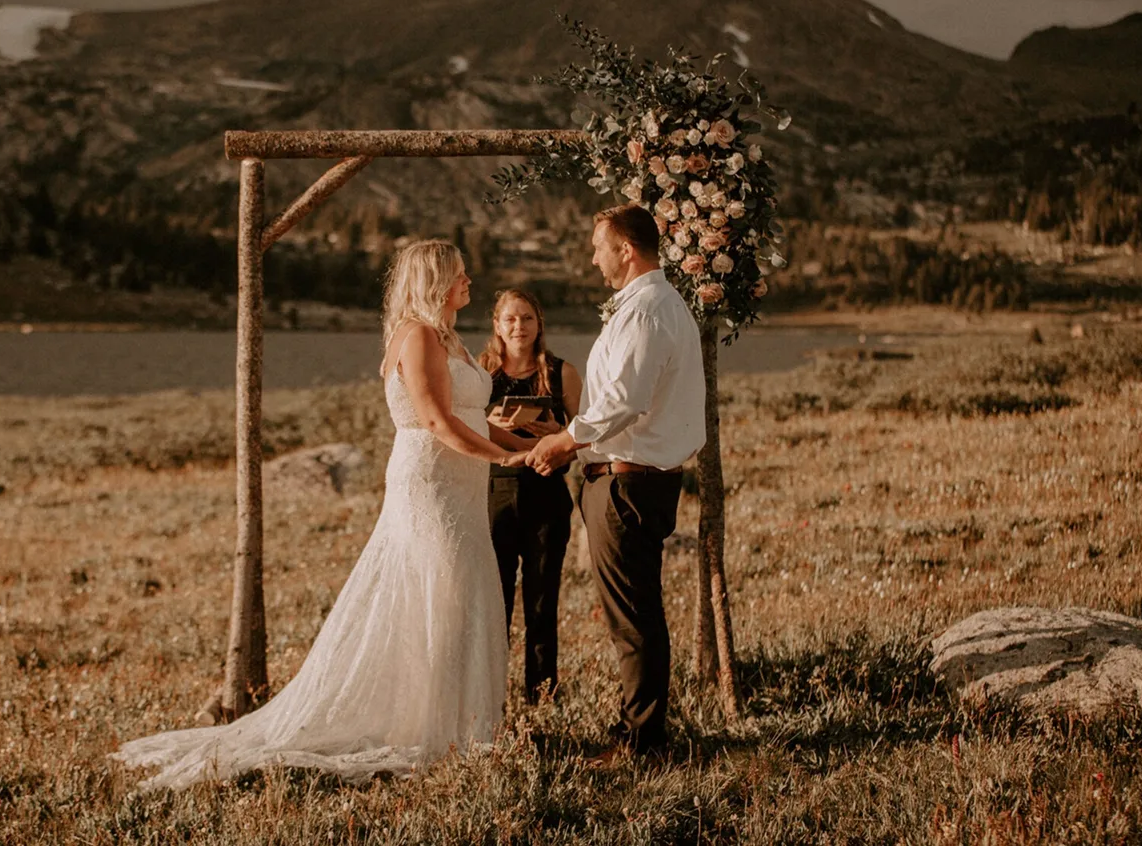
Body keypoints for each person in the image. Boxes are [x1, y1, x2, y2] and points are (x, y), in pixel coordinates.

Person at [113, 240, 526, 789]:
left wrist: (525, 439)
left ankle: (458, 724)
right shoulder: (419, 335)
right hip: (431, 482)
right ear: (434, 280)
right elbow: (435, 421)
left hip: (464, 486)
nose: (469, 278)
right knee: (438, 591)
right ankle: (427, 728)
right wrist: (509, 458)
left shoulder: (450, 337)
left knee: (461, 593)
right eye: (458, 272)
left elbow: (471, 414)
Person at [528, 203, 706, 761]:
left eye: (597, 245)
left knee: (634, 619)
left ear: (626, 249)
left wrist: (564, 441)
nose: (592, 256)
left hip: (629, 485)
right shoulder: (643, 306)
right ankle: (640, 732)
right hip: (623, 478)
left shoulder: (649, 309)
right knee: (634, 614)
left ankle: (644, 744)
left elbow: (624, 402)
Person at [478, 289, 582, 703]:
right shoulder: (479, 372)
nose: (518, 327)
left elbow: (584, 438)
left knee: (542, 602)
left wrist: (556, 431)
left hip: (547, 495)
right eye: (510, 320)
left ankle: (541, 697)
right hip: (493, 494)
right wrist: (487, 421)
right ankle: (489, 697)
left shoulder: (562, 373)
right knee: (493, 601)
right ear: (497, 326)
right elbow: (459, 430)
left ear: (539, 324)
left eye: (526, 319)